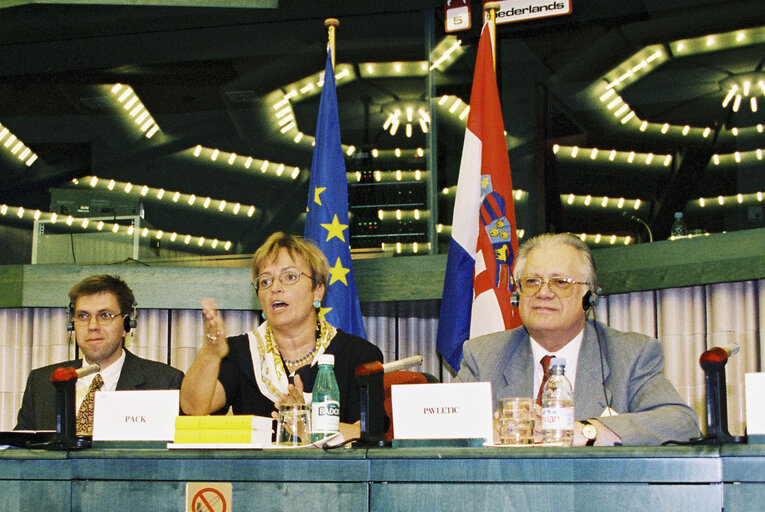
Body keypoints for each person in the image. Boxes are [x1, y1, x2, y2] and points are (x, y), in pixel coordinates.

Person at [455, 233, 701, 446]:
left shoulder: (630, 353)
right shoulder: (484, 354)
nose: (543, 293)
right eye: (532, 282)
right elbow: (439, 427)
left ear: (589, 297)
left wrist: (586, 431)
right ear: (519, 292)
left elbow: (680, 422)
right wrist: (485, 430)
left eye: (560, 282)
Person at [180, 232, 383, 440]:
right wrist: (211, 352)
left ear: (318, 291)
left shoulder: (359, 356)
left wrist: (307, 424)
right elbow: (192, 409)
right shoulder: (241, 352)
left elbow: (369, 434)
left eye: (290, 277)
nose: (275, 288)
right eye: (265, 281)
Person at [15, 274, 184, 432]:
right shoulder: (43, 382)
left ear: (126, 325)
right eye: (82, 316)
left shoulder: (165, 382)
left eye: (104, 315)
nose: (92, 326)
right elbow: (20, 454)